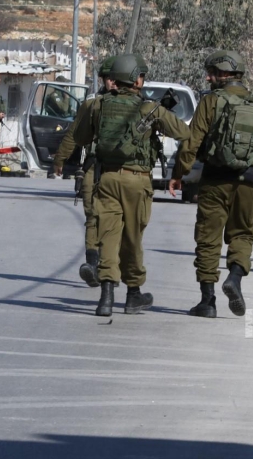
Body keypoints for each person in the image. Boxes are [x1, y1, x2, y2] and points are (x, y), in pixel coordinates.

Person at [169, 50, 253, 319]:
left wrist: (179, 174)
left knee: (208, 238)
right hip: (248, 181)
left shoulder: (211, 101)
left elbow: (191, 143)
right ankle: (234, 277)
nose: (208, 78)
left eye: (211, 73)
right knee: (242, 234)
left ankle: (207, 301)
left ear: (223, 74)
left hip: (215, 180)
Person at [73, 53, 191, 317]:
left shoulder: (97, 105)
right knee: (133, 238)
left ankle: (106, 297)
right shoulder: (149, 109)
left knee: (108, 236)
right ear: (137, 79)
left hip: (106, 178)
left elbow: (80, 137)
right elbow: (184, 132)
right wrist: (160, 117)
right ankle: (133, 294)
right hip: (137, 181)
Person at [53, 56, 117, 287]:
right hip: (92, 164)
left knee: (114, 219)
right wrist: (60, 158)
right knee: (92, 215)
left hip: (119, 168)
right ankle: (92, 264)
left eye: (116, 78)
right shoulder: (92, 102)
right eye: (108, 78)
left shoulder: (133, 103)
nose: (112, 83)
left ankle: (110, 268)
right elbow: (74, 132)